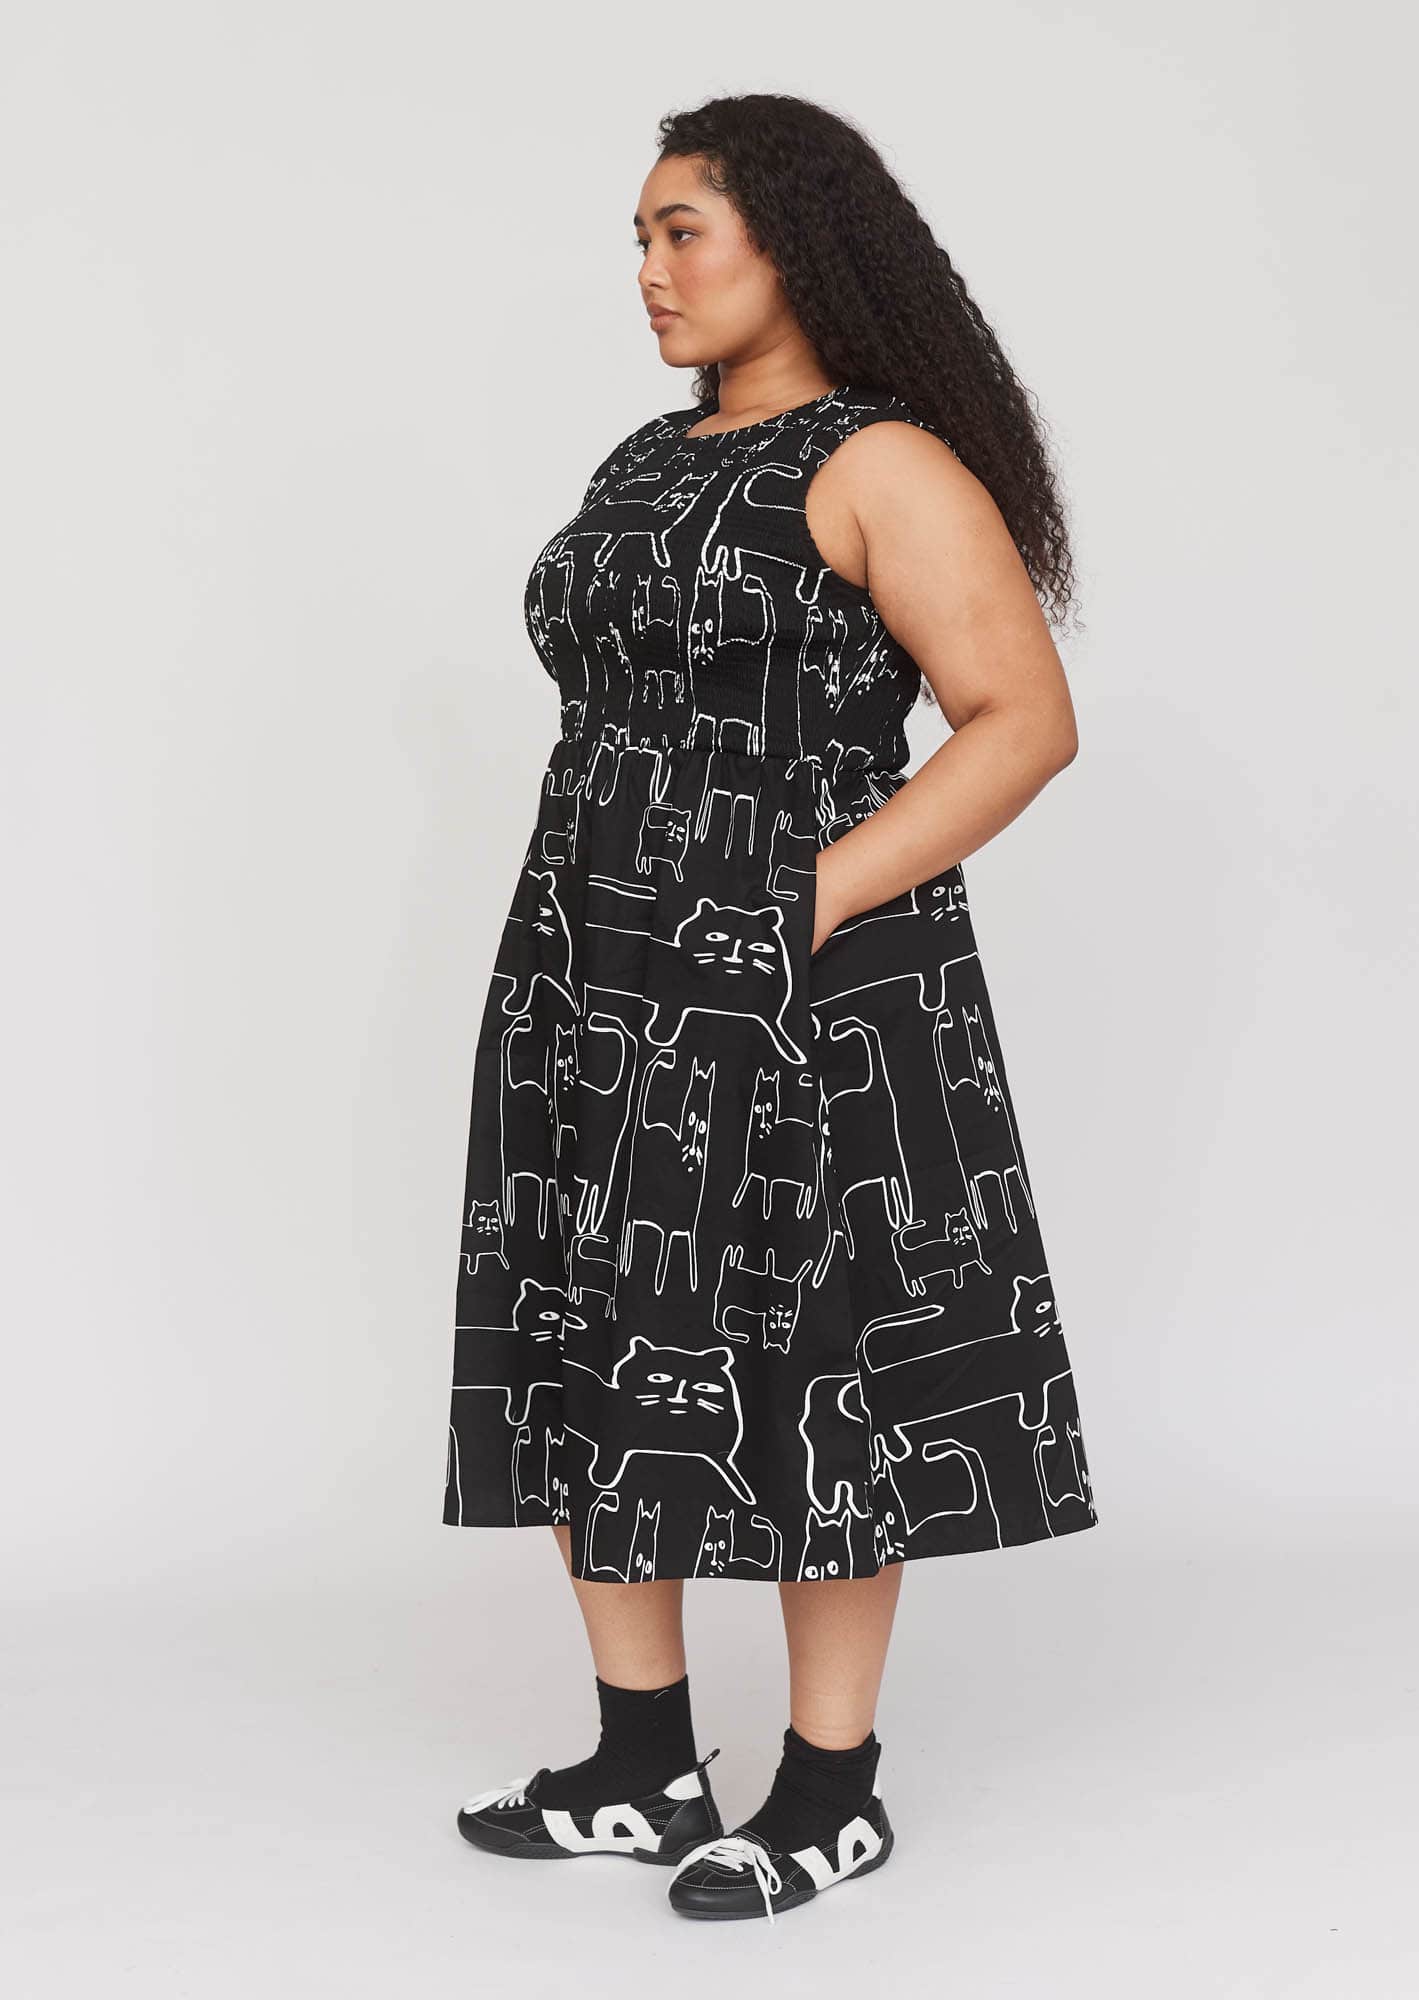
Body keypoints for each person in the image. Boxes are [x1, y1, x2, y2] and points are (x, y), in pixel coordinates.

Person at [443, 91, 1100, 1925]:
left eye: (685, 232)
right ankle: (641, 1764)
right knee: (590, 1316)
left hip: (800, 976)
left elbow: (1025, 723)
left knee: (821, 1357)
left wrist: (801, 894)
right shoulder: (648, 459)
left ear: (793, 243)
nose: (650, 273)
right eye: (640, 239)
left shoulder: (882, 462)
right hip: (596, 954)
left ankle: (830, 1789)